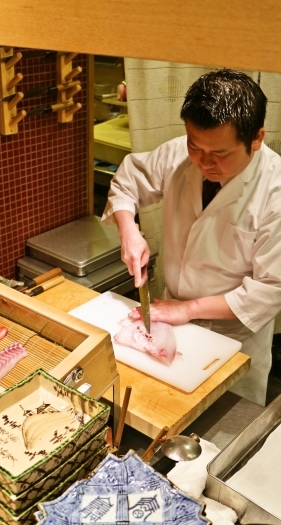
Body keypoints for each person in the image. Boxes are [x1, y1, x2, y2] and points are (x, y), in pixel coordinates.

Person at [102, 68, 281, 406]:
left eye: (221, 154)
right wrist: (130, 230)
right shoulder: (181, 154)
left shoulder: (276, 191)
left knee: (224, 432)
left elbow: (271, 289)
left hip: (234, 336)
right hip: (170, 317)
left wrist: (190, 309)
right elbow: (129, 181)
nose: (204, 162)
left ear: (256, 139)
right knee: (164, 405)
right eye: (195, 146)